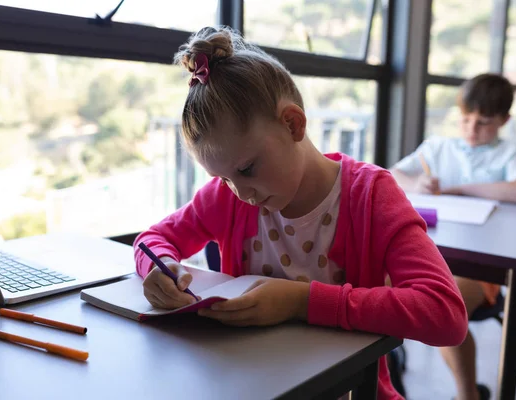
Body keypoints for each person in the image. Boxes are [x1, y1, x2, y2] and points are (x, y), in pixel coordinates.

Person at [135, 26, 468, 400]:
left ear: (293, 124)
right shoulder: (227, 196)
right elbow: (152, 240)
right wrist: (159, 269)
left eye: (246, 169)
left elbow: (445, 314)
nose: (241, 194)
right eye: (223, 178)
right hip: (248, 384)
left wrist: (301, 301)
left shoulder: (371, 195)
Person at [391, 73, 516, 400]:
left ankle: (467, 394)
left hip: (478, 270)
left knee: (440, 308)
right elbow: (393, 174)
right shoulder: (439, 148)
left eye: (483, 123)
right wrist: (417, 185)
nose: (472, 129)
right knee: (369, 288)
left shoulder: (511, 154)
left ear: (504, 120)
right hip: (425, 254)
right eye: (466, 120)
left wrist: (459, 189)